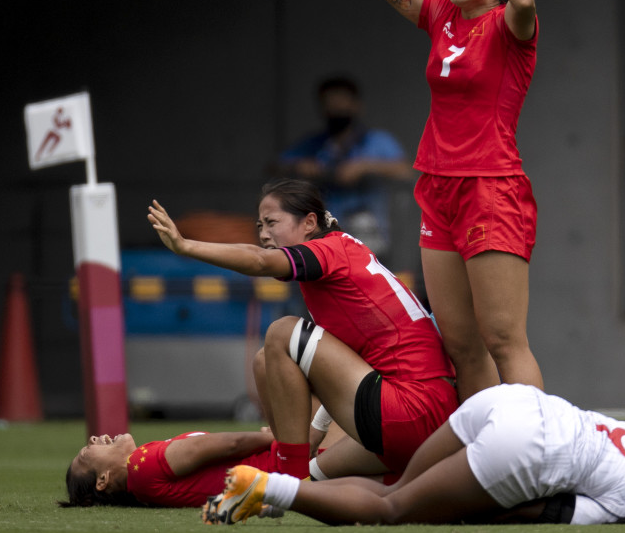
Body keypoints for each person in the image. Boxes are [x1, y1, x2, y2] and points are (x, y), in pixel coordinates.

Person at [356, 0, 542, 401]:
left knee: (504, 338)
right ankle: (486, 465)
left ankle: (543, 460)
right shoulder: (441, 15)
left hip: (491, 188)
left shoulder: (512, 28)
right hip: (437, 186)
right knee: (460, 343)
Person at [147, 178, 457, 482]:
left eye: (272, 223)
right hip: (428, 419)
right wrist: (316, 432)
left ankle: (288, 477)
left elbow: (259, 261)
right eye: (259, 227)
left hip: (410, 412)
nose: (265, 235)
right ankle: (303, 471)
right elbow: (358, 362)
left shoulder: (328, 251)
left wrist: (185, 246)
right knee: (266, 363)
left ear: (309, 222)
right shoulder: (344, 251)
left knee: (283, 333)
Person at [202, 383, 625, 526]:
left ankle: (267, 500)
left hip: (508, 402)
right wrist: (462, 508)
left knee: (396, 489)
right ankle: (269, 487)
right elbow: (537, 512)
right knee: (396, 512)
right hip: (526, 448)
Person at [274, 76, 412, 261]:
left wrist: (364, 167)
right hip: (327, 235)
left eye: (341, 102)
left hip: (371, 235)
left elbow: (405, 171)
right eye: (330, 103)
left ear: (356, 105)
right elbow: (275, 166)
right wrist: (299, 166)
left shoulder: (376, 140)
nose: (336, 108)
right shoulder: (314, 144)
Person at [59, 428, 283, 508]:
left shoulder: (140, 476)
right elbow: (231, 445)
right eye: (86, 452)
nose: (93, 438)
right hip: (284, 466)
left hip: (278, 465)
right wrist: (278, 439)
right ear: (102, 480)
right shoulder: (141, 467)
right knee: (268, 354)